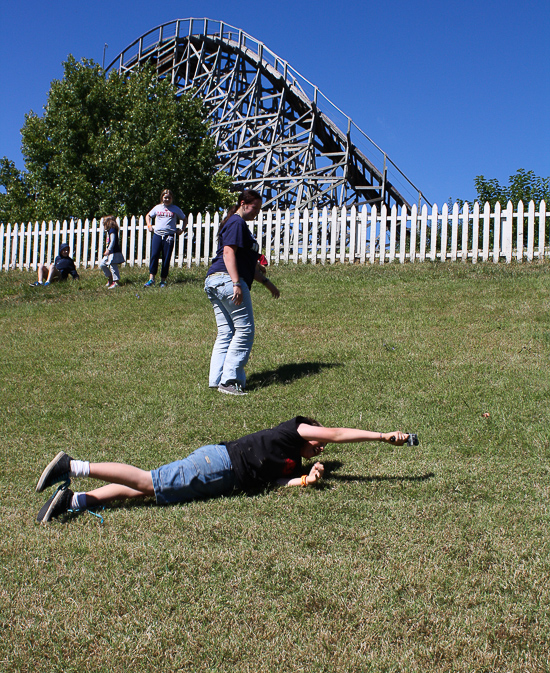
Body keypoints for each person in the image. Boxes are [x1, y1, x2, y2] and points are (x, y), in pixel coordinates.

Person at [35, 417, 410, 523]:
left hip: (222, 475)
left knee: (148, 490)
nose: (321, 446)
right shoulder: (292, 431)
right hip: (219, 464)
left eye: (321, 450)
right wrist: (381, 436)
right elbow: (340, 433)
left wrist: (303, 480)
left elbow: (275, 481)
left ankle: (75, 501)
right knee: (151, 481)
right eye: (319, 444)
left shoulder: (292, 460)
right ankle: (73, 466)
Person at [204, 190, 280, 396]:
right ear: (243, 203)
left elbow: (243, 261)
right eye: (254, 207)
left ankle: (216, 379)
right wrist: (236, 283)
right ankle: (230, 380)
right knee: (245, 331)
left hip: (215, 281)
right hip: (228, 281)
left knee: (226, 332)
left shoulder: (234, 223)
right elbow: (228, 252)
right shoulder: (237, 223)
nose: (256, 212)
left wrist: (267, 283)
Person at [144, 189, 187, 288]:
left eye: (169, 197)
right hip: (158, 235)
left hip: (169, 236)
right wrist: (149, 225)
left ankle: (163, 280)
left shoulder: (175, 209)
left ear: (172, 198)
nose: (167, 199)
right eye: (165, 197)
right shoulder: (157, 208)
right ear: (162, 198)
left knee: (166, 258)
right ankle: (151, 279)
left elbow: (184, 219)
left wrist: (181, 229)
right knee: (154, 256)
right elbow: (148, 216)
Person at [99, 216, 125, 289]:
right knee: (102, 264)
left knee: (113, 267)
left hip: (114, 252)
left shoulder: (112, 230)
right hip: (110, 252)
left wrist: (108, 249)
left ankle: (116, 282)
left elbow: (113, 241)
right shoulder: (110, 230)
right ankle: (110, 278)